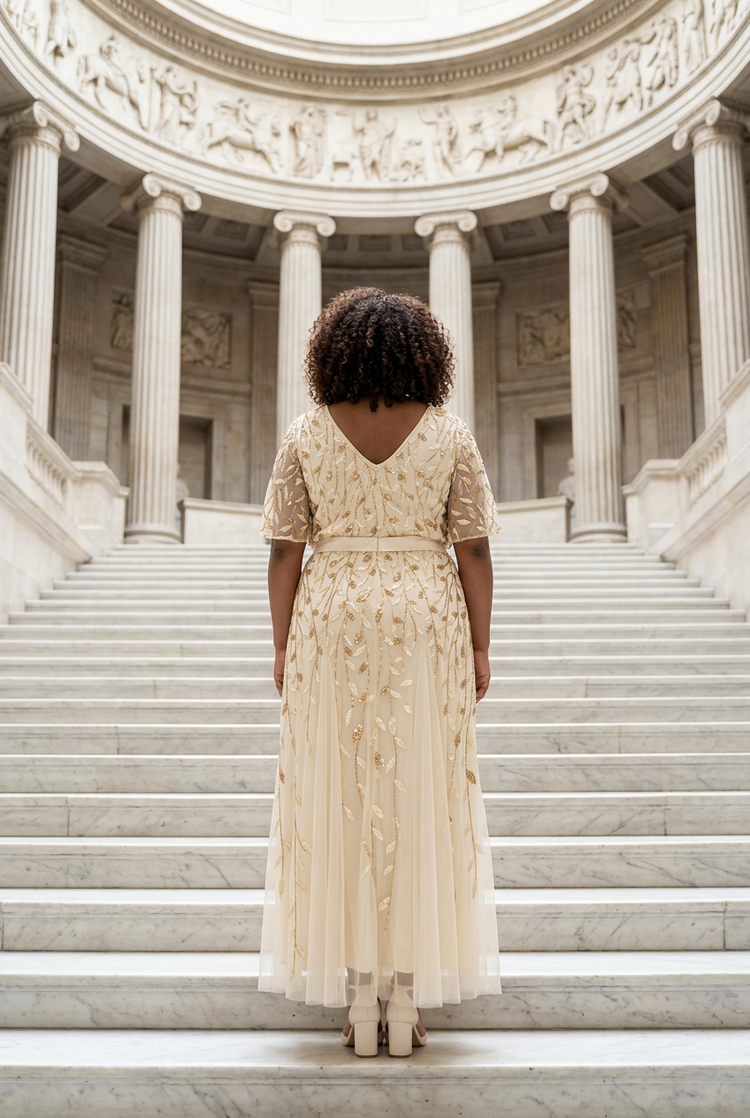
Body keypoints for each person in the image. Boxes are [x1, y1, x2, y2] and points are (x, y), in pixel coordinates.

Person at [259, 288, 502, 1058]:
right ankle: (404, 1000)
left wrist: (281, 644)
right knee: (419, 796)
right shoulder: (447, 433)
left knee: (339, 797)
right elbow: (473, 548)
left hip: (330, 615)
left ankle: (360, 999)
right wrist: (481, 645)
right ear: (424, 357)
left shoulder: (306, 432)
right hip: (425, 616)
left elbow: (284, 550)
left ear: (332, 354)